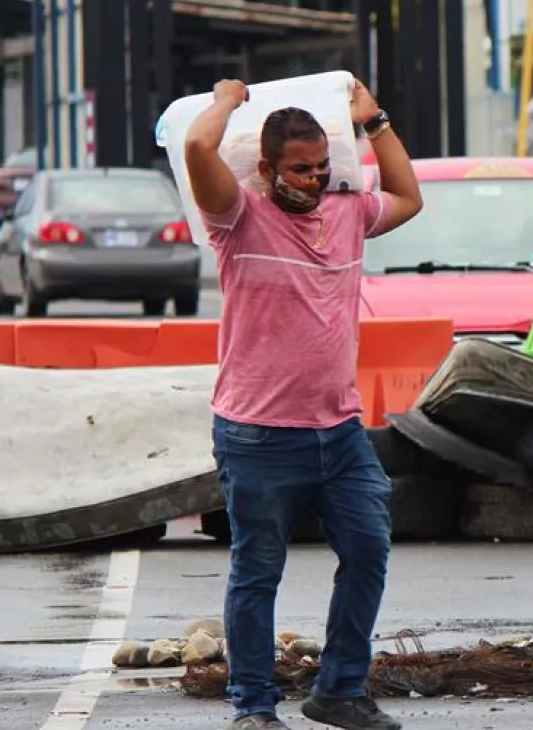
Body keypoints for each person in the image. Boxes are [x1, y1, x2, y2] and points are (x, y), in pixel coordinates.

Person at [183, 78, 423, 730]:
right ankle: (254, 708)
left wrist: (374, 124)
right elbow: (197, 145)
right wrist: (230, 99)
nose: (313, 180)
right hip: (257, 433)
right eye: (298, 169)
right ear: (266, 168)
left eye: (321, 168)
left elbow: (408, 196)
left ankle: (340, 691)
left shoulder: (346, 214)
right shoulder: (237, 216)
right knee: (257, 572)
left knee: (369, 549)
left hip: (339, 431)